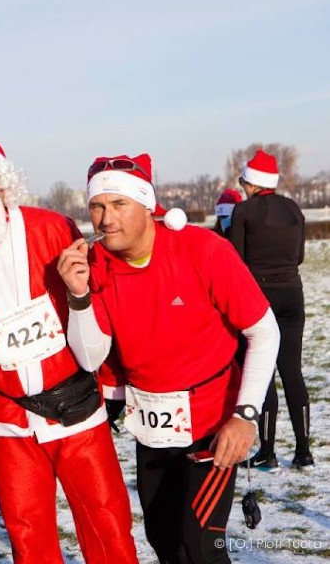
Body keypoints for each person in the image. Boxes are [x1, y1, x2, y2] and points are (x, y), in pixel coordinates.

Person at [0, 130, 138, 564]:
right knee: (29, 535)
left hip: (76, 405)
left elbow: (95, 302)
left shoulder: (50, 227)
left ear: (2, 186)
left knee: (107, 526)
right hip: (9, 419)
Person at [57, 153, 280, 563]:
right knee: (163, 539)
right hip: (152, 424)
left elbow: (264, 330)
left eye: (119, 204)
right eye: (97, 206)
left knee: (201, 544)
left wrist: (245, 415)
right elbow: (92, 357)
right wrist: (78, 297)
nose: (106, 219)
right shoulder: (96, 266)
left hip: (213, 424)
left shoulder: (202, 249)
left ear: (146, 205)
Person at [230, 150, 313, 471]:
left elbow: (235, 260)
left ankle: (267, 451)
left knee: (262, 373)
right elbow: (301, 257)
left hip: (259, 297)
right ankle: (304, 451)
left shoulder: (243, 211)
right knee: (292, 372)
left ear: (250, 182)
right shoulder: (294, 209)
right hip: (293, 294)